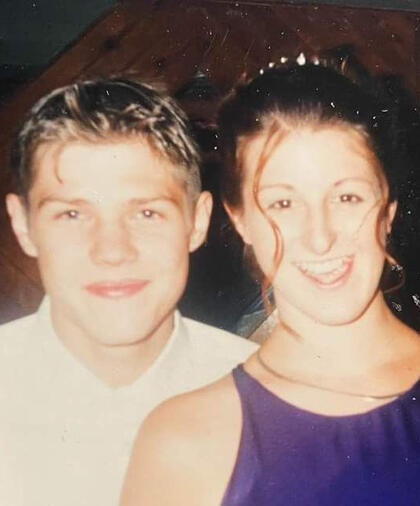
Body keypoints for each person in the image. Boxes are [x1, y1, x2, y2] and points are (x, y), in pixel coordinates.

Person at [121, 56, 420, 505]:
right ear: (240, 219)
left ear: (387, 209)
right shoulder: (185, 442)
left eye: (347, 197)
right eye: (283, 204)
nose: (320, 237)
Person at [0, 77, 257, 506]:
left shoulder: (267, 404)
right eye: (72, 214)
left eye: (147, 213)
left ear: (197, 221)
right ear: (23, 225)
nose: (113, 251)